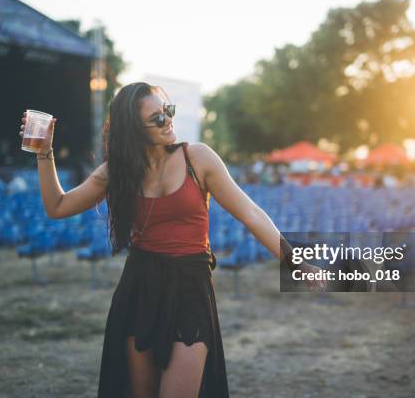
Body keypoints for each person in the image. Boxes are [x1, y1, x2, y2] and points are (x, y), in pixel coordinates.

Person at [19, 82, 322, 398]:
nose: (168, 121)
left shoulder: (198, 158)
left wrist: (294, 260)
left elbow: (251, 213)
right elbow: (57, 206)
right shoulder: (118, 172)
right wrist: (44, 154)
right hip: (140, 287)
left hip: (190, 286)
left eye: (168, 111)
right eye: (158, 119)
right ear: (134, 130)